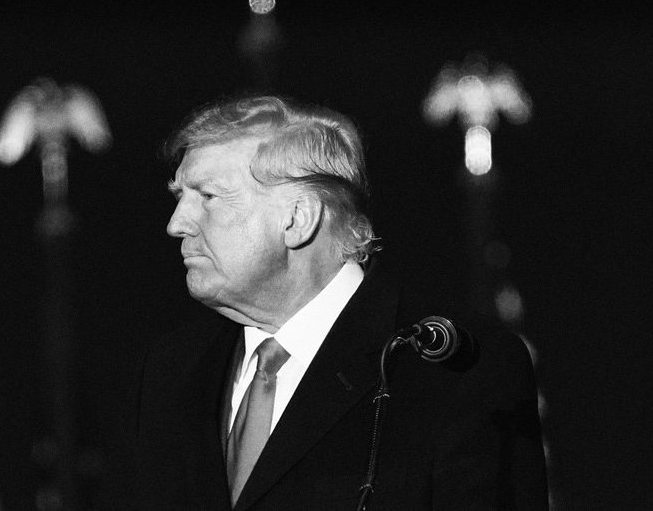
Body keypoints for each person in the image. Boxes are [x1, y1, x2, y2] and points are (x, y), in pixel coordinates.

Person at [130, 95, 547, 509]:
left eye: (207, 196)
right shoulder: (173, 368)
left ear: (299, 218)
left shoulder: (457, 367)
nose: (176, 224)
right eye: (180, 197)